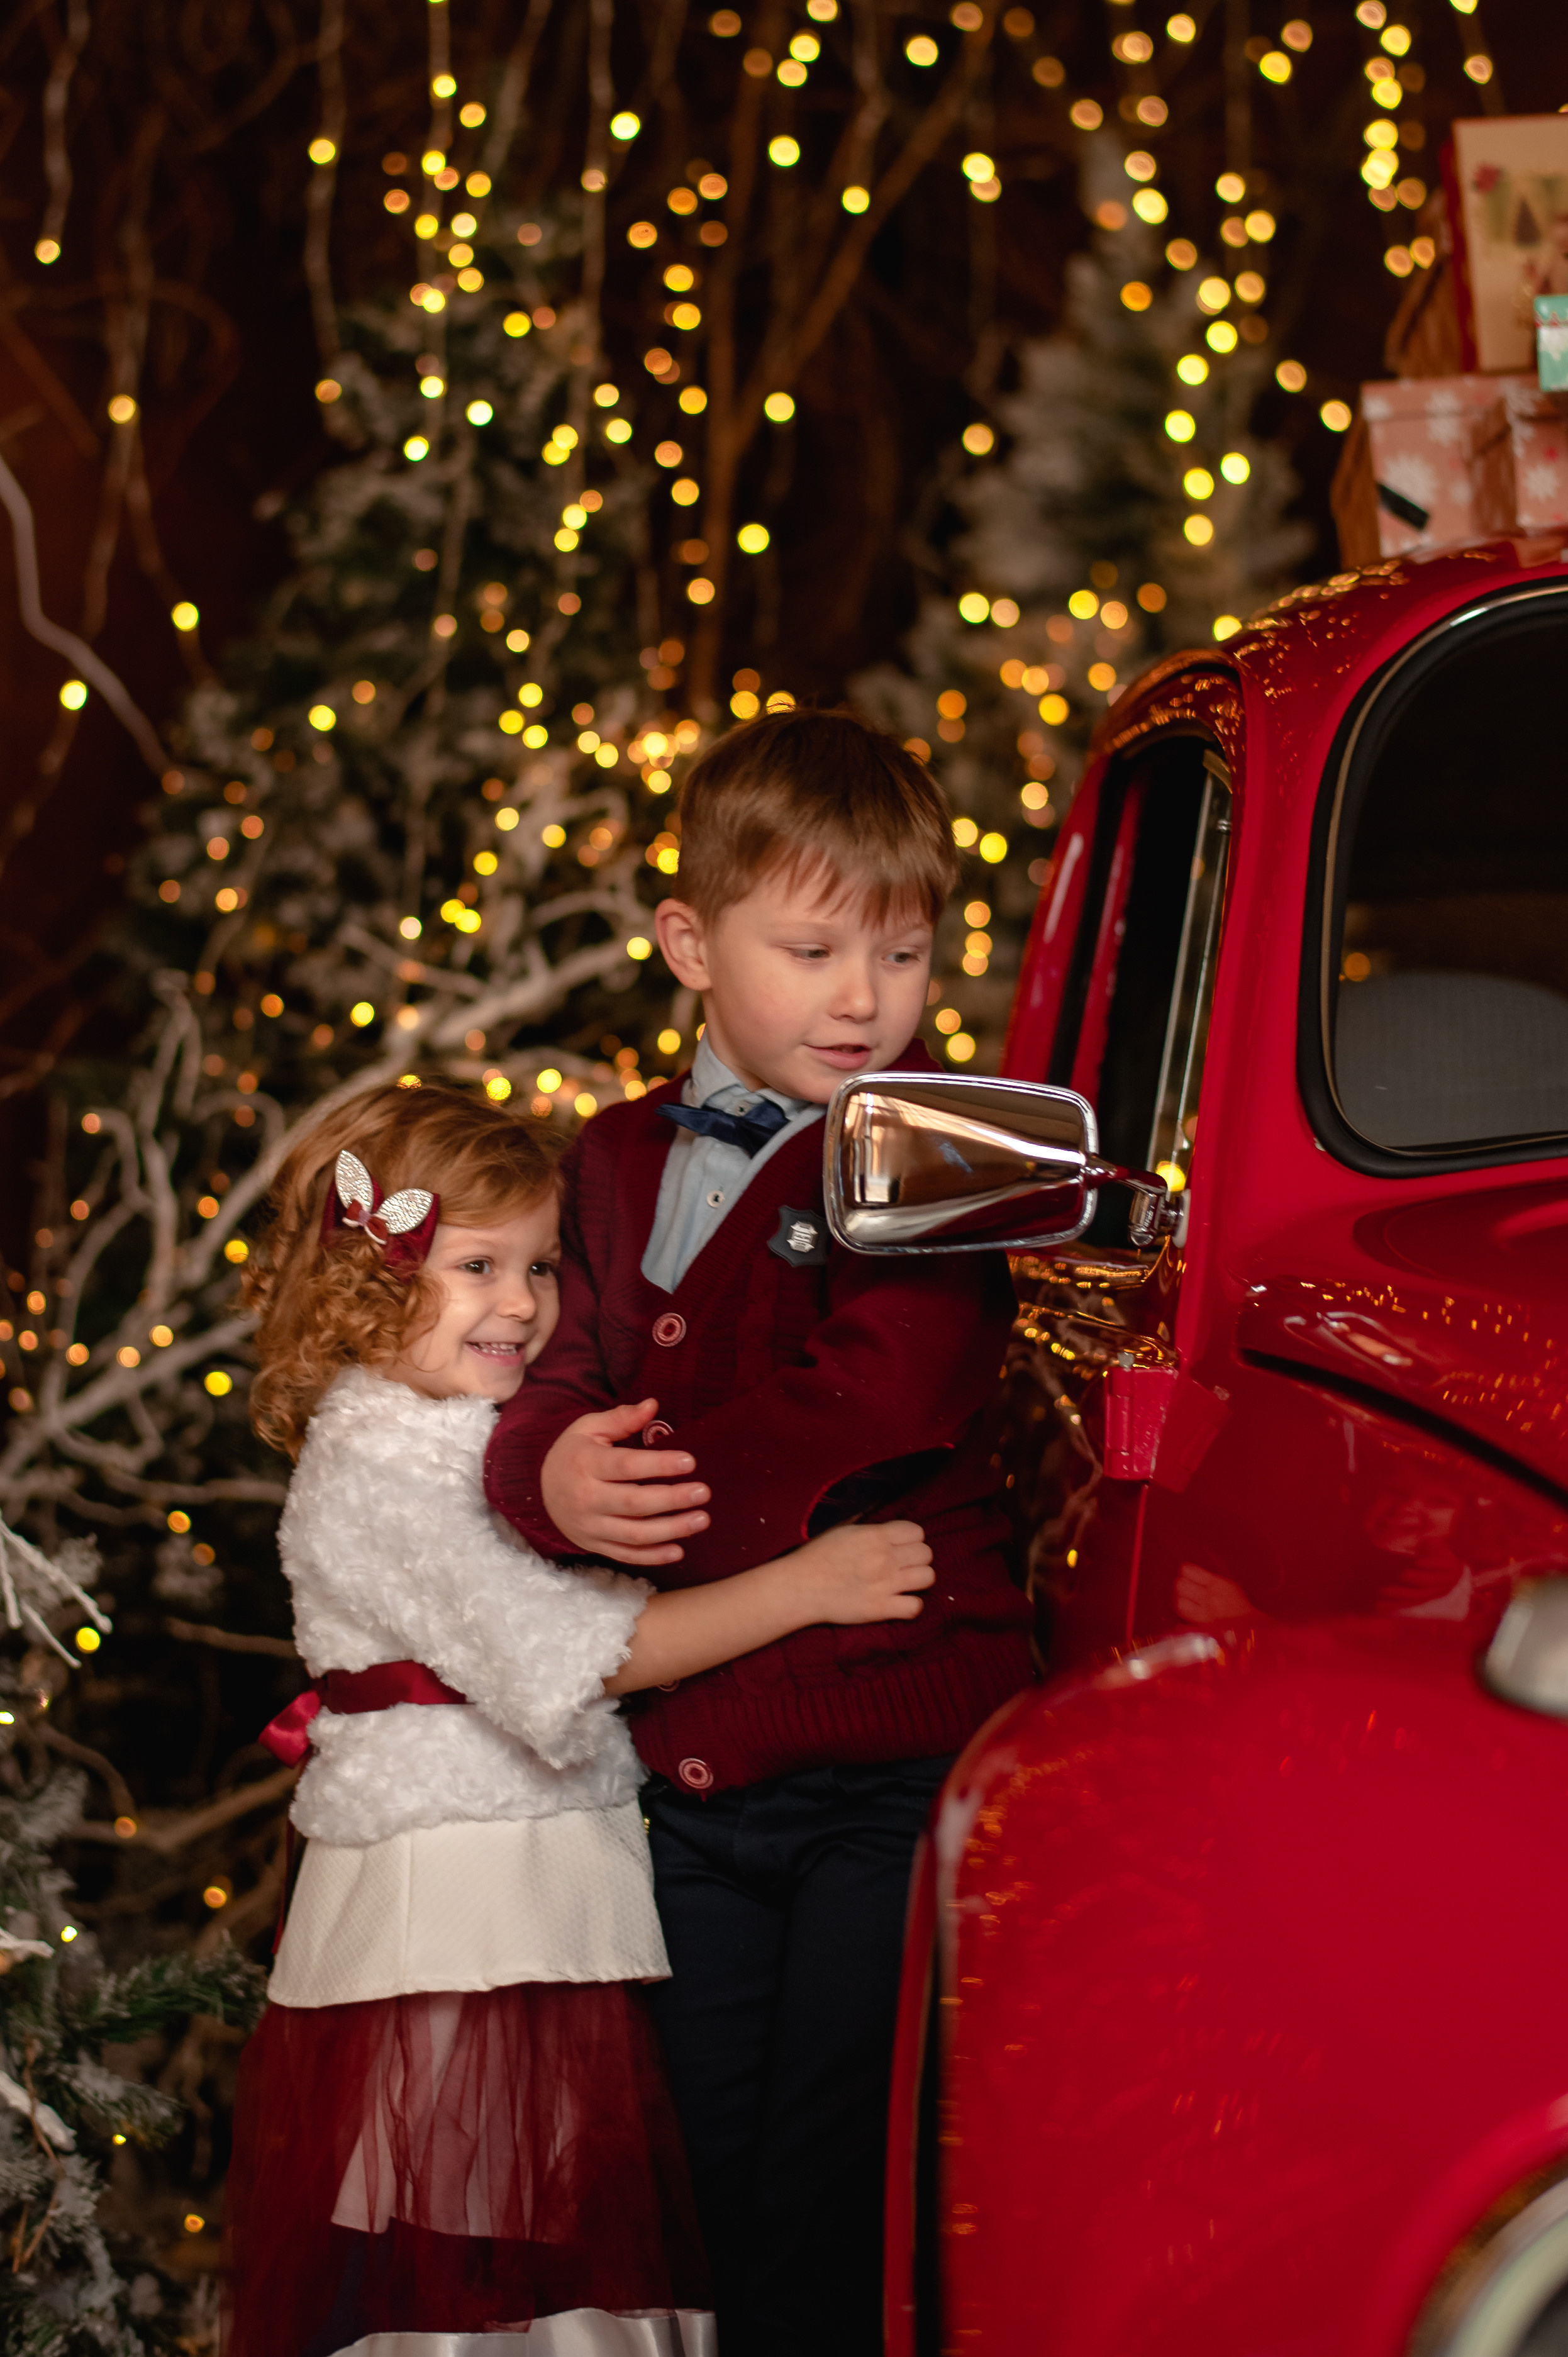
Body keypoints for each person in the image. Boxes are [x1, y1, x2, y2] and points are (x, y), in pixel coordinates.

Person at [221, 1079, 935, 2357]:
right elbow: (589, 1653)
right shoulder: (384, 1467)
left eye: (541, 1266)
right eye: (476, 1264)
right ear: (365, 1279)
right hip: (459, 1918)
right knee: (483, 2267)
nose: (520, 1302)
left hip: (533, 1888)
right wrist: (811, 1583)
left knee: (564, 2244)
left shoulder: (475, 1435)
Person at [484, 709, 1035, 2354]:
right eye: (808, 948)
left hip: (882, 1758)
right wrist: (547, 1479)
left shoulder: (921, 1154)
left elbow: (869, 1397)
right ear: (688, 946)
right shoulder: (605, 1154)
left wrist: (640, 1514)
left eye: (902, 951)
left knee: (836, 2180)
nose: (861, 995)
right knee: (690, 2165)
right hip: (684, 1775)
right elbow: (542, 1369)